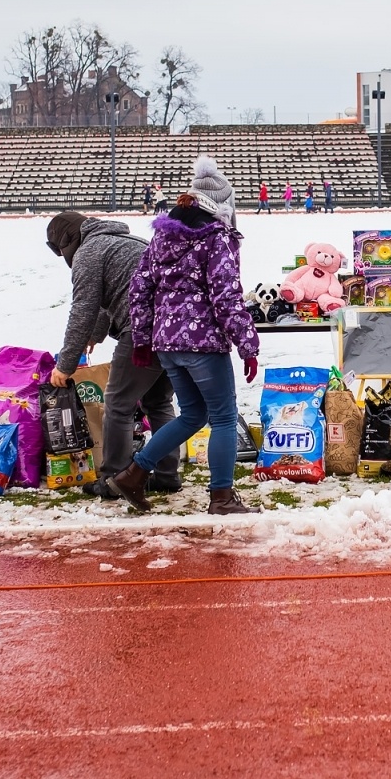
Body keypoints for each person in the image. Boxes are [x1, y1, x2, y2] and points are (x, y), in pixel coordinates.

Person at [110, 156, 262, 515]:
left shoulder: (160, 238)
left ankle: (133, 473)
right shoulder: (216, 240)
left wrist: (145, 339)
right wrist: (248, 345)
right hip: (203, 344)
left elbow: (140, 289)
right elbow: (225, 296)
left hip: (167, 344)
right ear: (222, 205)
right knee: (223, 416)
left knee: (192, 414)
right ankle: (222, 497)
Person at [45, 211, 181, 507]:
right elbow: (115, 293)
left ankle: (112, 478)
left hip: (143, 331)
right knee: (158, 403)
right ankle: (168, 474)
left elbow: (84, 308)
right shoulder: (127, 242)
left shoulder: (89, 252)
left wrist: (65, 366)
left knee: (118, 404)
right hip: (179, 328)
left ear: (67, 241)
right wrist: (96, 335)